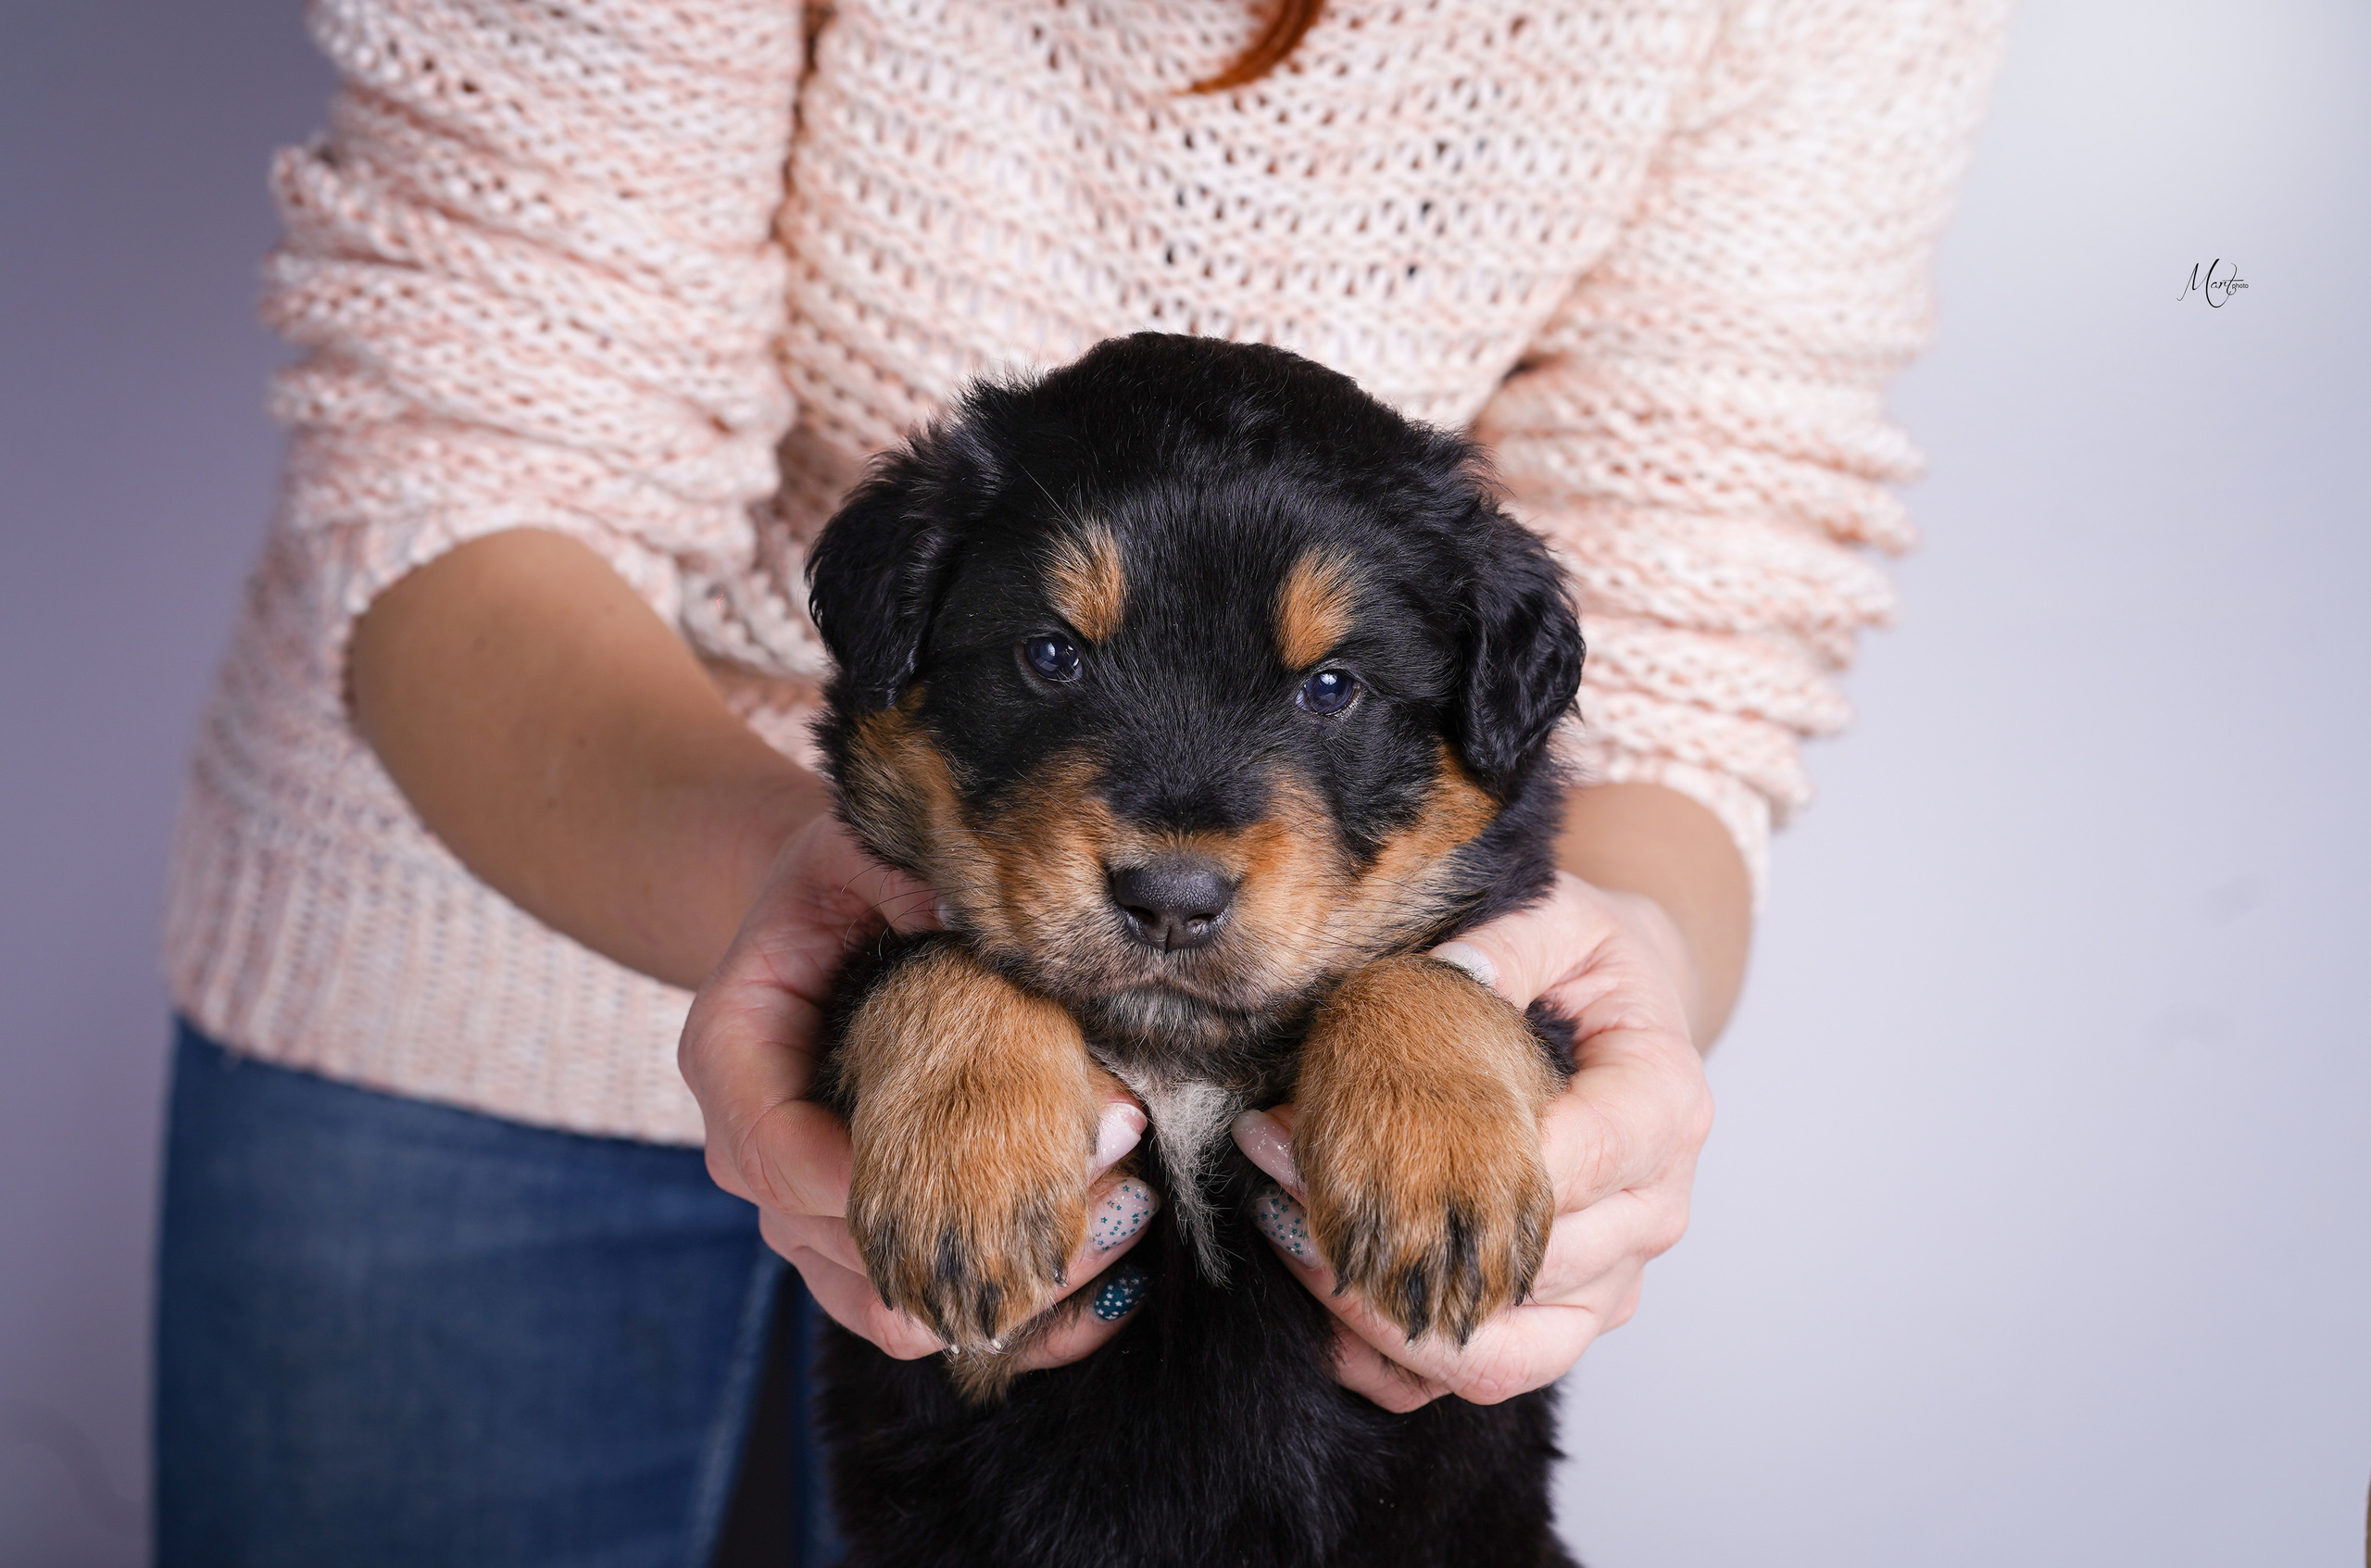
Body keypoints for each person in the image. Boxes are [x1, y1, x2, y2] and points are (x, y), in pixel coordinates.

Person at [154, 2, 2007, 1563]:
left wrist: (1583, 1006)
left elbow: (1704, 580)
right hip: (475, 931)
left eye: (1333, 684)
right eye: (1057, 656)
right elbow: (479, 430)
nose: (1180, 853)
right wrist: (855, 951)